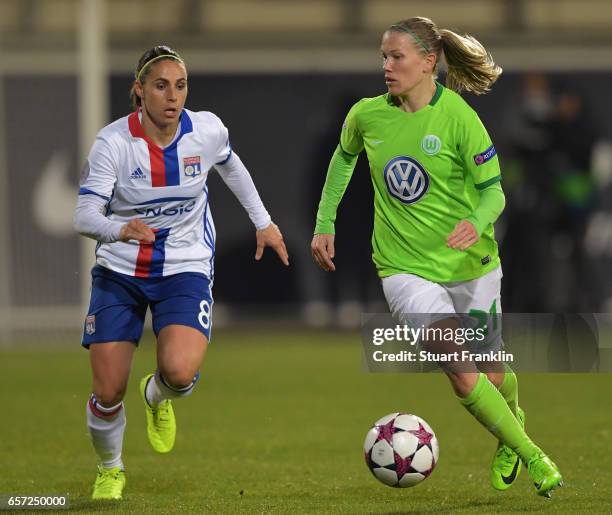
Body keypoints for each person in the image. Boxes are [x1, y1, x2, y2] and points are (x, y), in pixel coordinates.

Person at [311, 17, 563, 497]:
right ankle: (533, 454)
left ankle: (510, 430)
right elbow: (344, 157)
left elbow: (495, 192)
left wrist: (477, 221)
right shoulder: (366, 115)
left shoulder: (460, 118)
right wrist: (326, 222)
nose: (386, 66)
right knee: (459, 365)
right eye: (383, 57)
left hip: (472, 266)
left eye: (396, 57)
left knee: (491, 370)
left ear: (428, 62)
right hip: (404, 270)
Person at [74, 45, 289, 500]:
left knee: (179, 373)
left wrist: (263, 222)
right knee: (108, 390)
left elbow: (232, 167)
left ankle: (155, 395)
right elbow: (84, 215)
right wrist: (118, 229)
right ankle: (110, 469)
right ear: (139, 92)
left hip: (185, 266)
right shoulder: (113, 143)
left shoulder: (205, 130)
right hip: (120, 272)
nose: (173, 96)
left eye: (181, 85)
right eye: (160, 85)